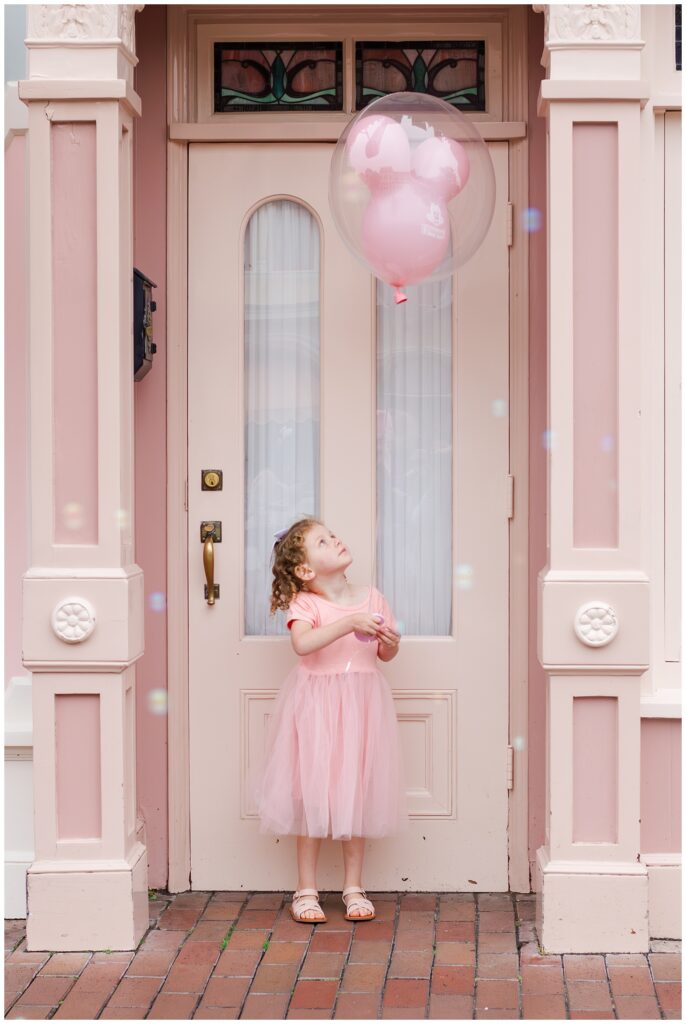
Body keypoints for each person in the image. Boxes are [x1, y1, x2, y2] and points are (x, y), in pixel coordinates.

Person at [251, 516, 409, 924]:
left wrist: (389, 644)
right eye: (323, 541)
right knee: (314, 793)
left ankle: (354, 886)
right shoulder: (307, 604)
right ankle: (306, 890)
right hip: (317, 707)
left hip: (361, 706)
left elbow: (382, 654)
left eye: (333, 534)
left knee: (353, 792)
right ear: (305, 570)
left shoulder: (372, 597)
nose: (336, 540)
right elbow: (303, 644)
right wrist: (345, 623)